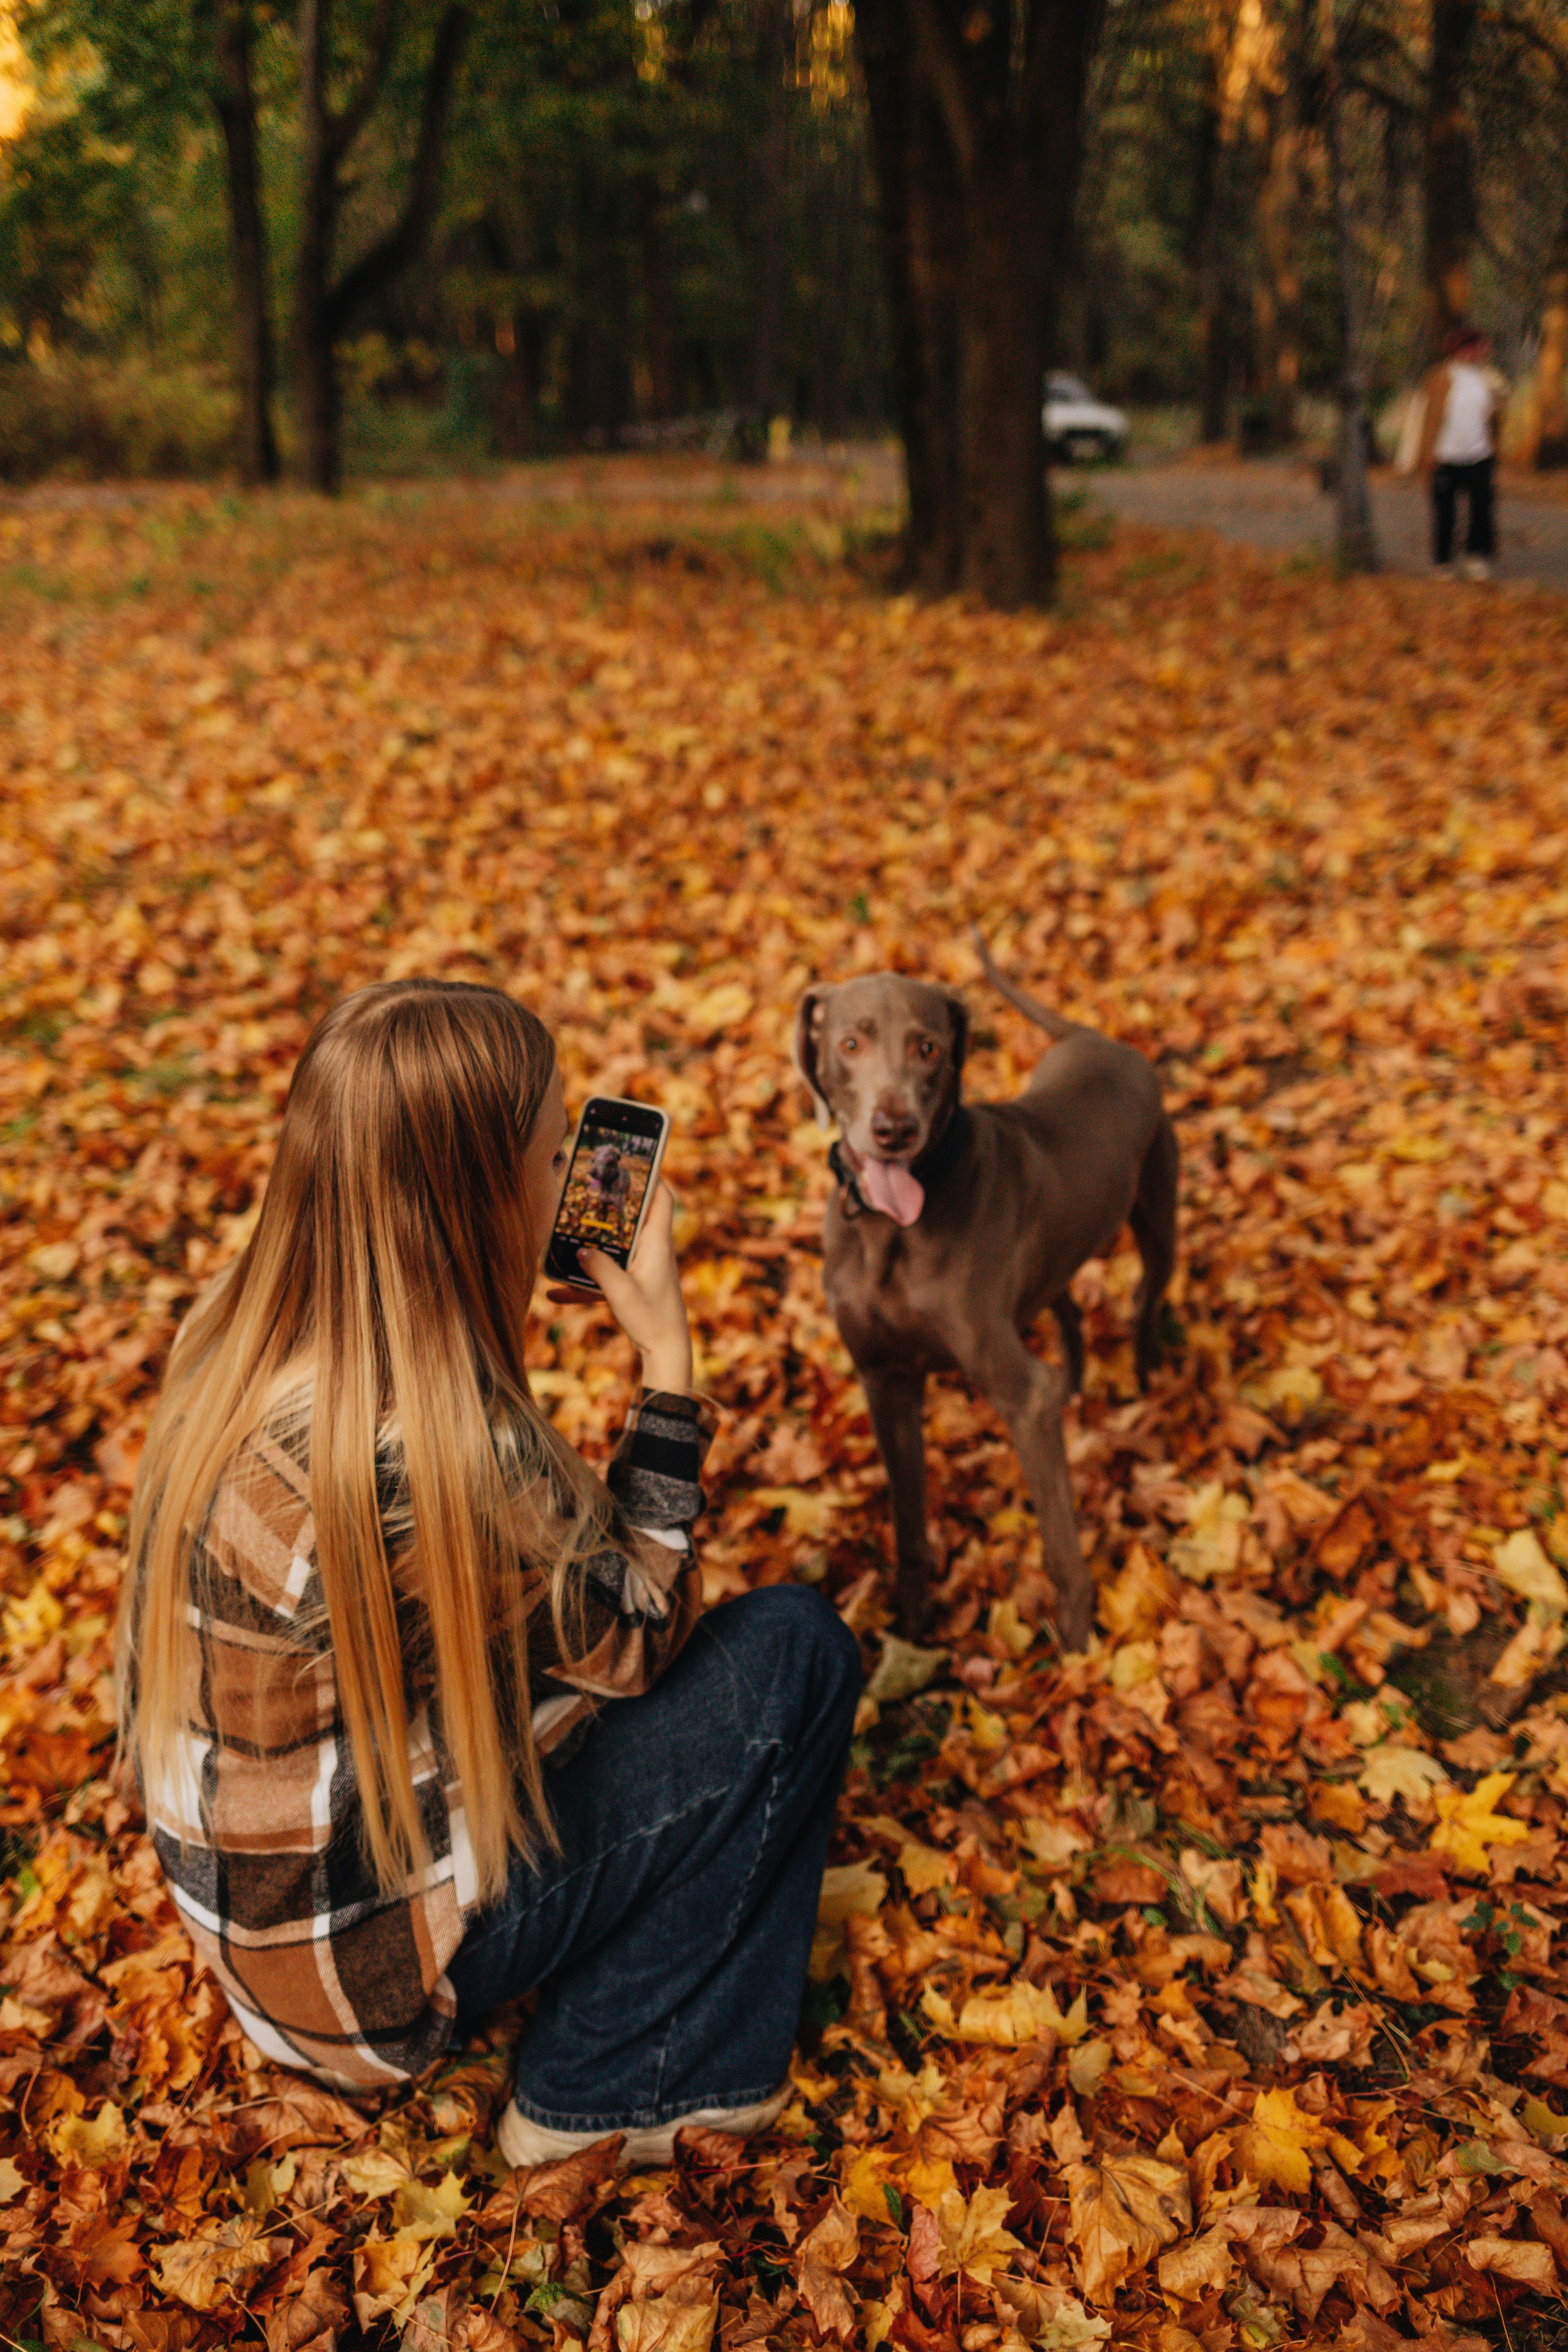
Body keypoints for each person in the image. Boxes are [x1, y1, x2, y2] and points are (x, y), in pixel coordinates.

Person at [113, 978, 861, 2166]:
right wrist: (665, 1355)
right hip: (358, 1981)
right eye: (554, 1147)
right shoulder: (429, 1464)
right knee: (793, 1656)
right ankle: (614, 2089)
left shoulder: (236, 1340)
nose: (572, 1172)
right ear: (476, 1194)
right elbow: (637, 1633)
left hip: (262, 1932)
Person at [1417, 323, 1504, 580]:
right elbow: (1427, 418)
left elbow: (1494, 419)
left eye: (1482, 347)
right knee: (1445, 512)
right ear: (1461, 349)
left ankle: (1475, 557)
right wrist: (1426, 456)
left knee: (1481, 510)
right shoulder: (1440, 376)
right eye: (1476, 347)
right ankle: (1443, 561)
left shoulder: (1488, 378)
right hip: (1445, 455)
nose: (1481, 352)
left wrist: (1499, 405)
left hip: (1479, 455)